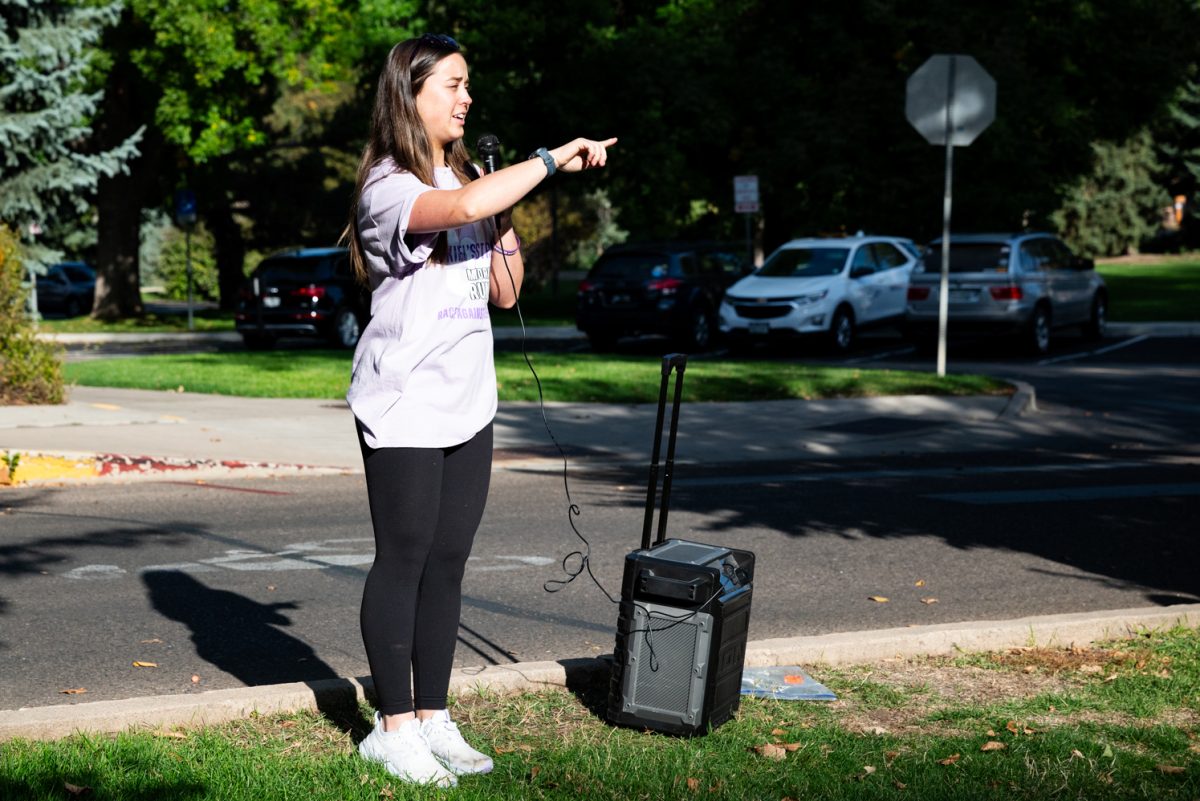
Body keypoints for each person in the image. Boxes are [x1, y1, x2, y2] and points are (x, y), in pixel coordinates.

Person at [341, 33, 616, 788]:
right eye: (453, 85)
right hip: (404, 401)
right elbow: (456, 206)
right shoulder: (390, 186)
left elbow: (507, 291)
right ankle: (392, 730)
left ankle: (433, 715)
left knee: (448, 562)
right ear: (412, 93)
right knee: (403, 557)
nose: (466, 98)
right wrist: (549, 160)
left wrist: (504, 204)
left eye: (468, 86)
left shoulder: (469, 178)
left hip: (468, 403)